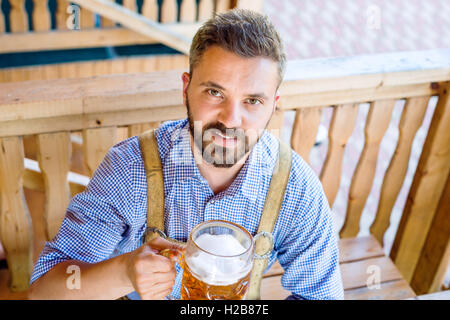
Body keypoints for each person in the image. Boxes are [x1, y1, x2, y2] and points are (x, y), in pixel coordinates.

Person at [29, 8, 344, 300]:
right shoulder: (131, 170)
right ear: (186, 89)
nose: (230, 119)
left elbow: (320, 295)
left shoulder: (295, 190)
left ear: (274, 105)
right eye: (214, 92)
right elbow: (44, 291)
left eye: (253, 101)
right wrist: (123, 272)